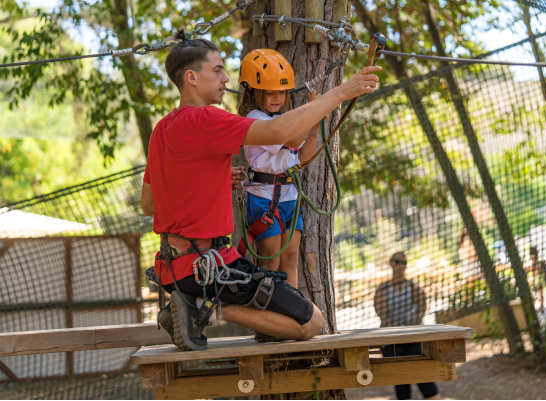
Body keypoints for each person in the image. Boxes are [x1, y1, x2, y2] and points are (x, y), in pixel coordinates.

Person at [141, 31, 381, 351]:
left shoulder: (163, 128)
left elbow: (149, 204)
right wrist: (341, 92)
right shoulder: (207, 118)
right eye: (217, 70)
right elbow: (279, 130)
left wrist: (213, 178)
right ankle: (203, 307)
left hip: (172, 266)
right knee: (311, 323)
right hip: (211, 266)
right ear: (191, 77)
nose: (226, 78)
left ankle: (193, 302)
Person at [237, 49, 321, 289]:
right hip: (265, 198)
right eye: (270, 93)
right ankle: (272, 315)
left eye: (282, 93)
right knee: (271, 261)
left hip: (290, 197)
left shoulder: (284, 121)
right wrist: (313, 110)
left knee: (291, 259)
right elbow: (294, 141)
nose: (277, 98)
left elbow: (303, 155)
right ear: (254, 92)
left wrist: (315, 121)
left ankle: (293, 314)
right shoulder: (256, 119)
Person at [374, 252, 441, 401]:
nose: (401, 265)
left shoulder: (413, 286)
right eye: (398, 261)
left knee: (422, 374)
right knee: (400, 377)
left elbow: (422, 307)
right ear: (391, 263)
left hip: (413, 337)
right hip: (391, 339)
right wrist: (397, 334)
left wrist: (412, 331)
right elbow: (382, 314)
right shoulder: (383, 289)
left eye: (404, 263)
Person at [530, 246, 546, 313]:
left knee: (539, 293)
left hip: (539, 280)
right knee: (538, 293)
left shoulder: (536, 262)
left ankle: (541, 307)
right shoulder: (535, 262)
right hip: (537, 279)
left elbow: (537, 271)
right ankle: (540, 307)